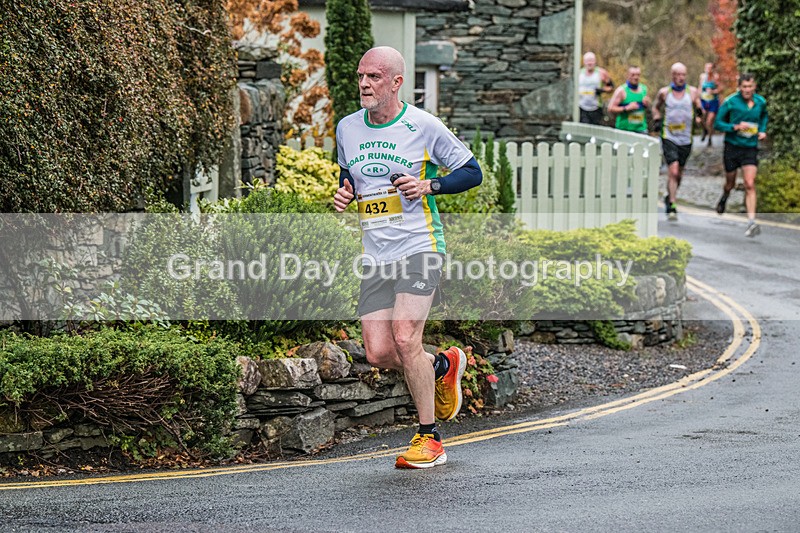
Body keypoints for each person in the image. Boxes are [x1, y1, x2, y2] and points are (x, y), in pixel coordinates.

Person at [333, 46, 483, 469]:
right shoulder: (347, 128)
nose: (364, 84)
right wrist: (345, 192)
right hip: (376, 253)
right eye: (361, 76)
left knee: (404, 337)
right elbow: (349, 174)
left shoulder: (423, 125)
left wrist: (428, 186)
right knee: (379, 353)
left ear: (397, 82)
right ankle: (442, 365)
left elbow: (472, 172)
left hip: (420, 245)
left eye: (374, 77)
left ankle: (429, 438)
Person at [713, 73, 768, 237]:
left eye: (750, 87)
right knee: (730, 183)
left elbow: (764, 116)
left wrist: (762, 130)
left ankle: (751, 222)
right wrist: (734, 127)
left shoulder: (760, 102)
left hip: (750, 148)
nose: (747, 90)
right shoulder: (730, 102)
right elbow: (718, 123)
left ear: (754, 87)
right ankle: (725, 196)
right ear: (739, 87)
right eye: (744, 87)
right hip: (732, 147)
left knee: (749, 183)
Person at [651, 62, 704, 221]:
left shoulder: (692, 92)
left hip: (686, 138)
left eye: (683, 75)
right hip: (669, 136)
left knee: (679, 174)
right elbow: (655, 107)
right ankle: (672, 205)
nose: (681, 78)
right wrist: (657, 118)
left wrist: (700, 115)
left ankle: (669, 195)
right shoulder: (664, 92)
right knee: (673, 171)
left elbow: (700, 108)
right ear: (672, 75)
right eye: (678, 75)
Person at [608, 66, 651, 133]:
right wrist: (626, 108)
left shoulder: (644, 89)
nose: (636, 77)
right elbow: (610, 108)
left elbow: (647, 107)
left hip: (641, 129)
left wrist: (647, 104)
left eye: (638, 75)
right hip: (624, 130)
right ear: (627, 75)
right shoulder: (621, 91)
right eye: (633, 75)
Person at [578, 52, 614, 125]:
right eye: (587, 61)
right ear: (584, 62)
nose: (589, 63)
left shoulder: (601, 72)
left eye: (591, 60)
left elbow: (611, 87)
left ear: (595, 61)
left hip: (596, 107)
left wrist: (602, 90)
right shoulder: (579, 73)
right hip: (581, 107)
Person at [699, 62, 721, 146]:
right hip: (704, 101)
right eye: (707, 68)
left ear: (712, 69)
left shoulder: (716, 77)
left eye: (710, 68)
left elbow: (720, 89)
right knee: (700, 118)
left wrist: (713, 91)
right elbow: (700, 88)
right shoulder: (702, 77)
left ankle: (710, 139)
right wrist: (698, 97)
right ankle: (705, 130)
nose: (708, 70)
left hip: (713, 102)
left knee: (709, 121)